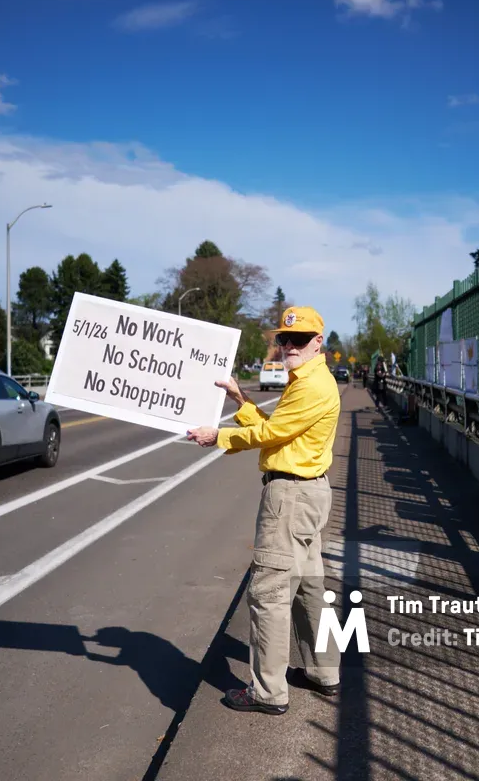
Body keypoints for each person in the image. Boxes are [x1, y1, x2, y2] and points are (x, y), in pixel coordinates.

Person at [186, 306, 342, 715]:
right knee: (309, 586)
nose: (289, 346)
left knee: (270, 592)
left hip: (290, 497)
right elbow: (280, 430)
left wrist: (218, 436)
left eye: (299, 339)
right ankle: (323, 671)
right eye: (284, 339)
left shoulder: (312, 385)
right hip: (308, 493)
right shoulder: (308, 379)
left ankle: (268, 692)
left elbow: (270, 433)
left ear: (318, 342)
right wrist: (239, 398)